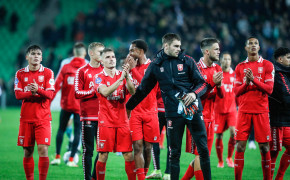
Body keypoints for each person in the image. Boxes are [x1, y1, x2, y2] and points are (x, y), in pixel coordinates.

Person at [126, 33, 211, 180]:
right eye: (176, 46)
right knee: (174, 153)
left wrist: (193, 94)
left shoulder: (187, 61)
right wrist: (128, 107)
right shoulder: (156, 65)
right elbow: (143, 90)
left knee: (203, 150)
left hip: (193, 111)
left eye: (180, 45)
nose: (180, 48)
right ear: (166, 46)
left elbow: (202, 83)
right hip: (173, 113)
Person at [182, 38, 224, 180]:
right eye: (216, 49)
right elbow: (195, 95)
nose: (219, 52)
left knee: (202, 156)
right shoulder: (195, 68)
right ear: (207, 51)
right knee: (200, 155)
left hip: (211, 118)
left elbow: (221, 96)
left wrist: (218, 86)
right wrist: (213, 83)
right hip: (197, 118)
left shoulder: (217, 68)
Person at [234, 37, 274, 180]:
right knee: (240, 147)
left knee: (264, 148)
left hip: (261, 111)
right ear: (246, 48)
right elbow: (236, 91)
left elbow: (269, 89)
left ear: (259, 47)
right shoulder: (239, 67)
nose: (253, 45)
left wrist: (254, 80)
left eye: (255, 43)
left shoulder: (268, 65)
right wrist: (246, 83)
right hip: (244, 111)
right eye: (250, 43)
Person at [14, 45, 55, 180]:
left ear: (42, 57)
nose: (36, 56)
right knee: (27, 151)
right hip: (26, 118)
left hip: (43, 118)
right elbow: (18, 95)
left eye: (38, 54)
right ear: (27, 57)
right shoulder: (20, 73)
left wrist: (38, 90)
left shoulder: (48, 73)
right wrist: (34, 93)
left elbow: (49, 94)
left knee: (43, 149)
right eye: (33, 53)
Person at [94, 48, 136, 180]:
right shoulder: (98, 77)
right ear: (102, 61)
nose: (111, 59)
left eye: (113, 56)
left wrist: (127, 76)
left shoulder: (123, 74)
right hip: (105, 122)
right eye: (107, 57)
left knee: (129, 155)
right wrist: (119, 80)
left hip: (122, 121)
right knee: (103, 155)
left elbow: (133, 91)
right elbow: (105, 92)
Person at [125, 39, 160, 180]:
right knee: (137, 146)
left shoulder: (153, 66)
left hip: (151, 112)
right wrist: (127, 71)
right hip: (135, 113)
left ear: (140, 51)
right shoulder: (129, 67)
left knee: (147, 148)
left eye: (132, 50)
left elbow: (145, 87)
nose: (129, 53)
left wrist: (133, 69)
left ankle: (143, 175)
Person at [50, 42, 87, 167]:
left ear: (74, 52)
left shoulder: (65, 66)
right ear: (84, 53)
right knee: (77, 132)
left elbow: (56, 85)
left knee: (61, 129)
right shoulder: (87, 67)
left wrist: (48, 102)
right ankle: (71, 159)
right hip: (79, 106)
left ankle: (57, 157)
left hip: (66, 105)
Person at [75, 42, 105, 180]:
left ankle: (94, 176)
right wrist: (92, 92)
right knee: (88, 150)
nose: (103, 55)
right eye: (100, 52)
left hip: (104, 116)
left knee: (103, 150)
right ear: (91, 53)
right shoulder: (82, 71)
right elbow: (76, 92)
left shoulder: (106, 70)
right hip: (88, 116)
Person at [269, 47, 290, 180]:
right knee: (274, 152)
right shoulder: (277, 73)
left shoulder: (287, 73)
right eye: (288, 57)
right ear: (280, 59)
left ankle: (279, 177)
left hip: (286, 120)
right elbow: (286, 95)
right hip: (276, 120)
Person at [213, 53, 237, 168]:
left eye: (229, 59)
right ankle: (220, 161)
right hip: (218, 110)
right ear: (221, 61)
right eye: (225, 59)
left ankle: (229, 158)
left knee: (234, 133)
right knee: (219, 136)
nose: (227, 61)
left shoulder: (235, 75)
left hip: (231, 110)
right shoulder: (217, 74)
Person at [146, 88, 170, 180]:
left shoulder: (157, 75)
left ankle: (157, 170)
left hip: (158, 111)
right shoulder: (174, 74)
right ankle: (168, 173)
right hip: (170, 111)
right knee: (171, 143)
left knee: (155, 140)